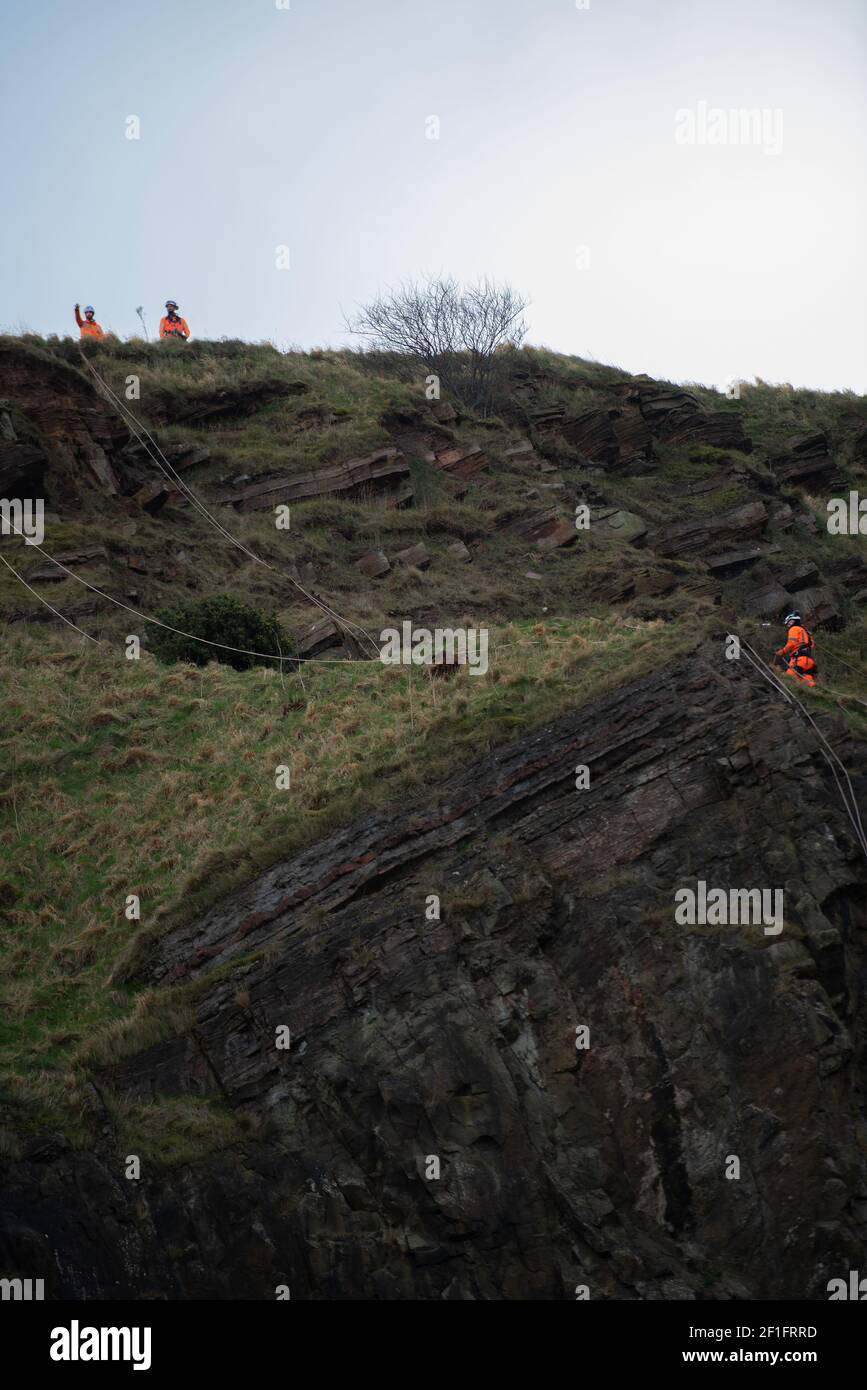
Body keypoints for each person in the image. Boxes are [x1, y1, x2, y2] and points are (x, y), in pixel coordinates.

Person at [774, 612, 817, 688]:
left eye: (788, 622)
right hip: (809, 661)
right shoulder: (805, 631)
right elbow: (812, 645)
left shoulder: (794, 629)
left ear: (793, 621)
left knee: (787, 678)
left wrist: (782, 652)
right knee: (806, 681)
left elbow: (791, 643)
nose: (787, 625)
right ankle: (816, 693)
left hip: (799, 660)